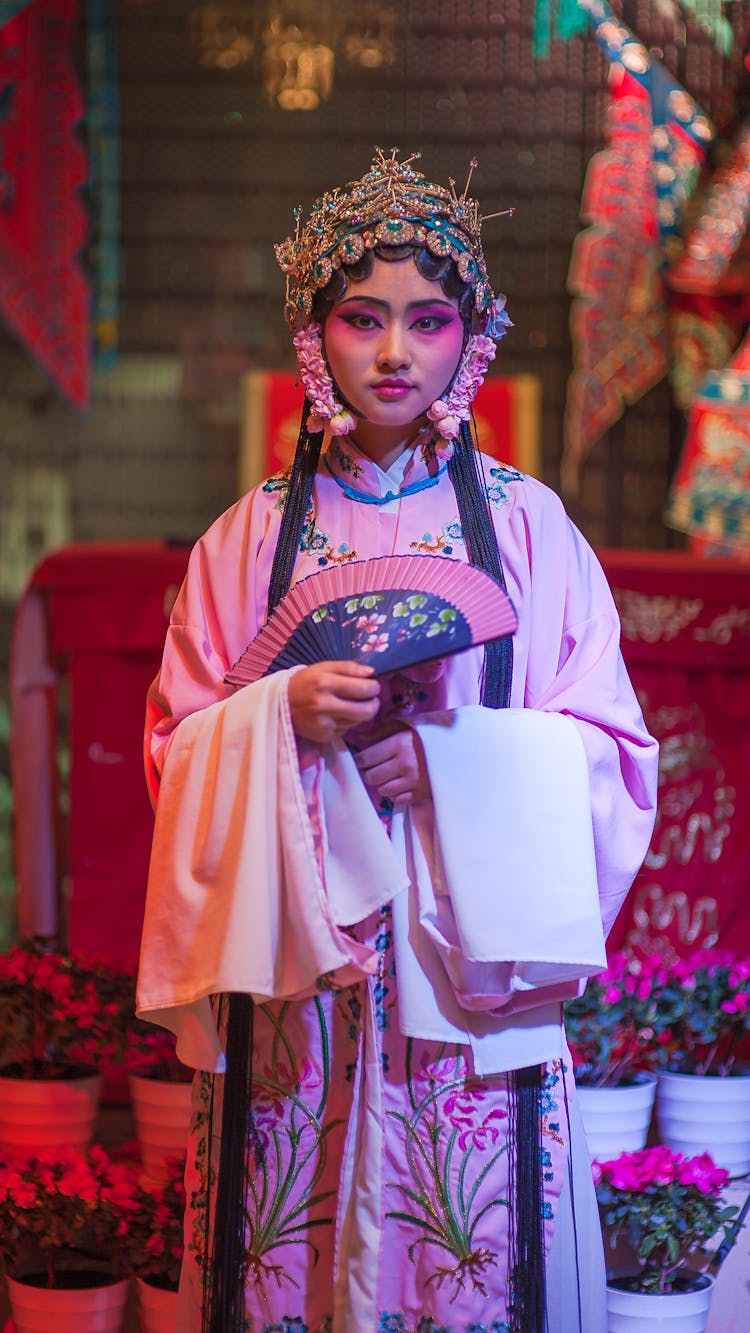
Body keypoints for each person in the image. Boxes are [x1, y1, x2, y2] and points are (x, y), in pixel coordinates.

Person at [136, 149, 659, 1333]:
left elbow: (616, 755)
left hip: (463, 966)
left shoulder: (532, 528)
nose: (391, 354)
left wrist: (452, 763)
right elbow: (176, 750)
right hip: (300, 976)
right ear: (312, 332)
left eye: (426, 322)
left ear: (468, 340)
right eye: (361, 318)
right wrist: (276, 719)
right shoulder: (244, 540)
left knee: (468, 1254)